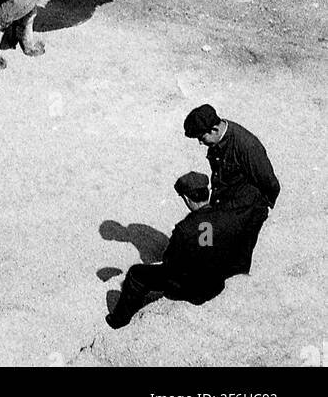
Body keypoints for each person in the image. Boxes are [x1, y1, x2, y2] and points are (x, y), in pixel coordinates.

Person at [106, 173, 251, 329]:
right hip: (215, 283)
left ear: (187, 199)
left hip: (191, 290)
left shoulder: (185, 228)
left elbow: (170, 263)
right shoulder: (226, 217)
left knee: (136, 274)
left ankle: (118, 321)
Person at [183, 104, 280, 274]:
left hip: (246, 207)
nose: (199, 142)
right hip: (223, 197)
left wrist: (258, 209)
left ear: (214, 129)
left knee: (239, 252)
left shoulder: (247, 146)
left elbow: (269, 182)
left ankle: (234, 278)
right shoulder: (218, 138)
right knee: (205, 228)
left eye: (201, 137)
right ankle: (203, 262)